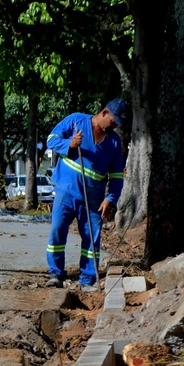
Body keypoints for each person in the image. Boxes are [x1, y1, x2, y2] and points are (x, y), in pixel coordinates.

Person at [44, 98, 128, 288]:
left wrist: (110, 199)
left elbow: (116, 175)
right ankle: (56, 273)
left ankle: (88, 279)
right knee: (57, 232)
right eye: (113, 121)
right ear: (105, 113)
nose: (115, 126)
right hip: (66, 192)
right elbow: (51, 140)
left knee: (91, 239)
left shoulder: (114, 143)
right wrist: (70, 144)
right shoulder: (76, 122)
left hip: (93, 200)